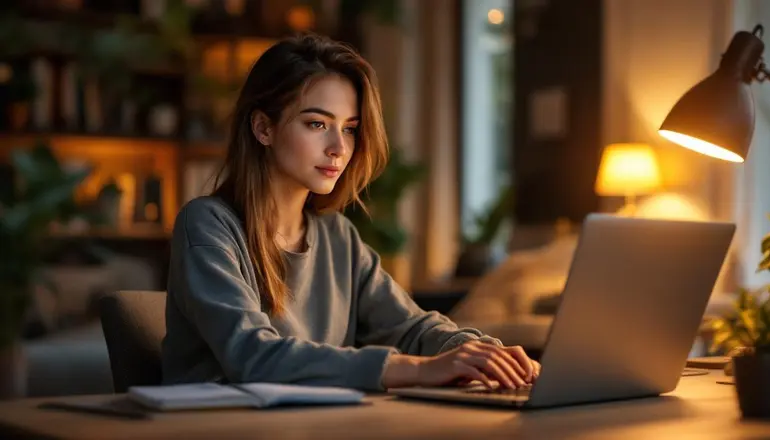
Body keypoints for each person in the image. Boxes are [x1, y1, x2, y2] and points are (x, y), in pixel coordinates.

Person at [162, 33, 540, 392]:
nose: (339, 148)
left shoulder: (337, 235)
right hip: (217, 424)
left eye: (349, 129)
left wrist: (485, 353)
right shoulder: (207, 224)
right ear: (263, 128)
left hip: (313, 424)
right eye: (317, 124)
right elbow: (252, 356)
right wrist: (417, 369)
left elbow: (410, 328)